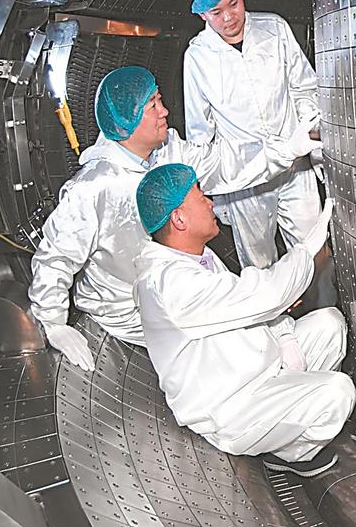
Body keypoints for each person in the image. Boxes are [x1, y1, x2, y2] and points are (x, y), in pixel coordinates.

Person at [27, 66, 318, 371]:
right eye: (153, 105)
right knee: (236, 347)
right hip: (131, 311)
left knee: (249, 321)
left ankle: (284, 346)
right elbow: (55, 258)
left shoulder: (167, 151)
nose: (164, 111)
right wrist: (53, 322)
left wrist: (285, 150)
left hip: (180, 283)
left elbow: (222, 164)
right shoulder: (92, 188)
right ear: (127, 122)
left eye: (160, 100)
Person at [133, 163, 354, 477]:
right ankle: (291, 453)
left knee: (330, 324)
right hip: (231, 407)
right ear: (179, 219)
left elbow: (247, 306)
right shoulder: (171, 284)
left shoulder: (197, 256)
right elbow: (267, 295)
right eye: (200, 197)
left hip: (254, 369)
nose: (210, 203)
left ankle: (290, 419)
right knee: (338, 392)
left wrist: (284, 335)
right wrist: (309, 247)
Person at [183, 0, 325, 272]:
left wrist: (309, 136)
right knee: (260, 270)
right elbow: (200, 131)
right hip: (246, 181)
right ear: (202, 15)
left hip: (295, 169)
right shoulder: (197, 57)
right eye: (216, 12)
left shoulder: (274, 29)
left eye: (233, 4)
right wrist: (215, 192)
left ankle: (323, 303)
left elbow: (304, 87)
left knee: (315, 254)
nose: (228, 17)